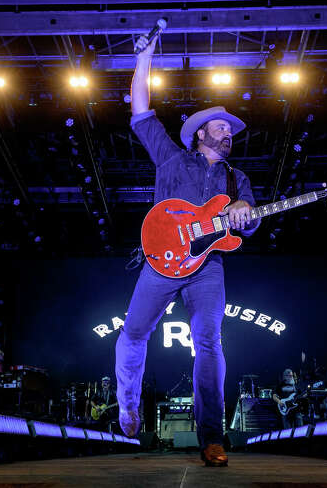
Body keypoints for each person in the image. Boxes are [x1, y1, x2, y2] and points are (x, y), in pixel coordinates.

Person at [116, 31, 260, 467]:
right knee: (133, 334)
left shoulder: (238, 181)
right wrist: (145, 59)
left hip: (207, 267)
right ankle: (127, 402)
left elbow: (246, 227)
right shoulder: (171, 159)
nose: (228, 133)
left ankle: (212, 438)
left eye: (231, 130)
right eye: (220, 127)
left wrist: (243, 212)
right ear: (200, 134)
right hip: (160, 263)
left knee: (210, 343)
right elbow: (141, 110)